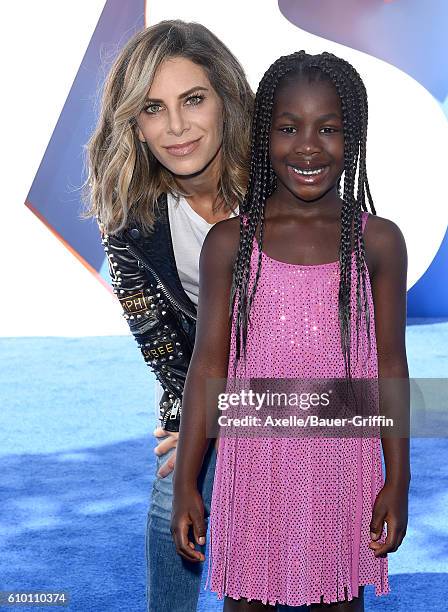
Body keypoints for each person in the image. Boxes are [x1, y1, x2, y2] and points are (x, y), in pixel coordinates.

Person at [171, 50, 411, 611]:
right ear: (262, 136)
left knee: (338, 600)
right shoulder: (230, 243)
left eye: (328, 128)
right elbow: (208, 365)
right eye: (287, 128)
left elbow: (391, 367)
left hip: (341, 470)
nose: (307, 146)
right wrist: (186, 479)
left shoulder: (379, 243)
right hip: (254, 468)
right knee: (246, 602)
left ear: (353, 139)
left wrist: (397, 479)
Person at [84, 20, 254, 612]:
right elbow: (171, 361)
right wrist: (202, 433)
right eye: (154, 108)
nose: (177, 127)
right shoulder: (132, 222)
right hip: (207, 398)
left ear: (227, 100)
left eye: (194, 100)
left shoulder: (288, 181)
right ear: (134, 123)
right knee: (168, 506)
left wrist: (236, 424)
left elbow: (346, 362)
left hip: (321, 398)